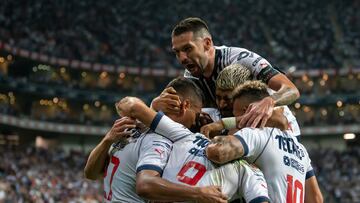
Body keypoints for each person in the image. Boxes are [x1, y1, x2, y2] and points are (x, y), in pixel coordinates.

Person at [116, 78, 309, 202]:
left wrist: (220, 127)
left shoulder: (248, 148)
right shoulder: (252, 168)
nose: (199, 118)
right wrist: (156, 105)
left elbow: (216, 152)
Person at [152, 17, 300, 129]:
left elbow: (291, 89)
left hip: (278, 125)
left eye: (188, 49)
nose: (182, 58)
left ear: (207, 43)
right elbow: (183, 113)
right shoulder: (191, 75)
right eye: (177, 52)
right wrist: (154, 107)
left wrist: (270, 101)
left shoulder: (240, 58)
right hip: (240, 126)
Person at [204, 81, 323, 203]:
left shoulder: (255, 134)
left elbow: (217, 152)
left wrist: (216, 129)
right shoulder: (301, 149)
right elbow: (316, 199)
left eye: (235, 115)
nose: (235, 123)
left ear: (248, 111)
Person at [84, 117, 227, 202]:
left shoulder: (128, 132)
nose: (197, 117)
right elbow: (146, 186)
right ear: (185, 106)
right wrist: (199, 193)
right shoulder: (157, 140)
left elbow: (90, 174)